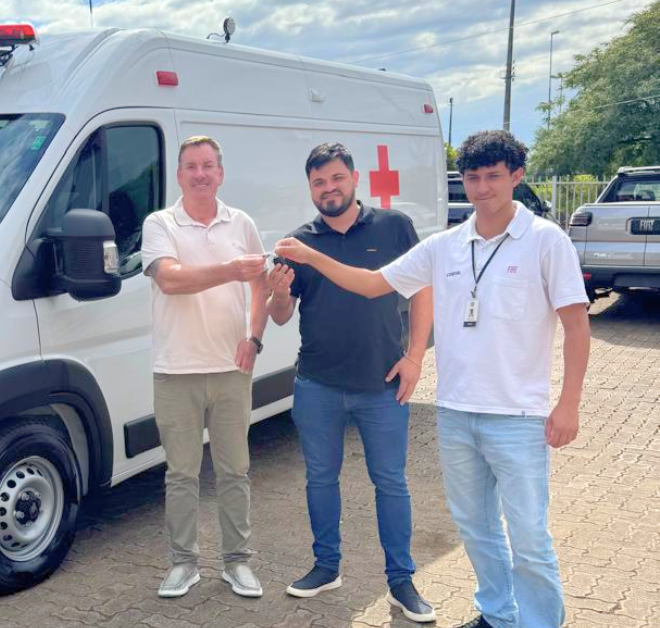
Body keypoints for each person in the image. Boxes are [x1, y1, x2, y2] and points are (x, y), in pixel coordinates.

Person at [274, 130, 591, 628]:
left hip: (519, 415)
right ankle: (497, 616)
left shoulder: (546, 241)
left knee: (529, 539)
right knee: (477, 529)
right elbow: (373, 284)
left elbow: (576, 325)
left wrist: (568, 404)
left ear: (517, 176)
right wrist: (311, 257)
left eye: (493, 176)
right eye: (473, 177)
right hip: (456, 411)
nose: (482, 188)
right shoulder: (447, 245)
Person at [265, 142, 436, 622]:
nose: (329, 189)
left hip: (382, 383)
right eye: (319, 182)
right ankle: (326, 568)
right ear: (310, 188)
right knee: (320, 479)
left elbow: (422, 291)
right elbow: (281, 315)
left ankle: (401, 581)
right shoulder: (297, 242)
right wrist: (278, 294)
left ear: (354, 178)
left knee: (391, 483)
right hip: (317, 383)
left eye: (337, 178)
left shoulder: (394, 226)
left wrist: (415, 358)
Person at [141, 136, 269, 599]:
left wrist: (254, 338)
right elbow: (170, 280)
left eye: (208, 165)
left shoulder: (242, 223)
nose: (200, 174)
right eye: (191, 166)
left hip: (231, 369)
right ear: (179, 175)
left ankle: (237, 563)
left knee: (235, 471)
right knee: (181, 475)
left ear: (220, 173)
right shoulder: (159, 223)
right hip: (176, 370)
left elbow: (261, 286)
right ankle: (183, 564)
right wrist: (231, 269)